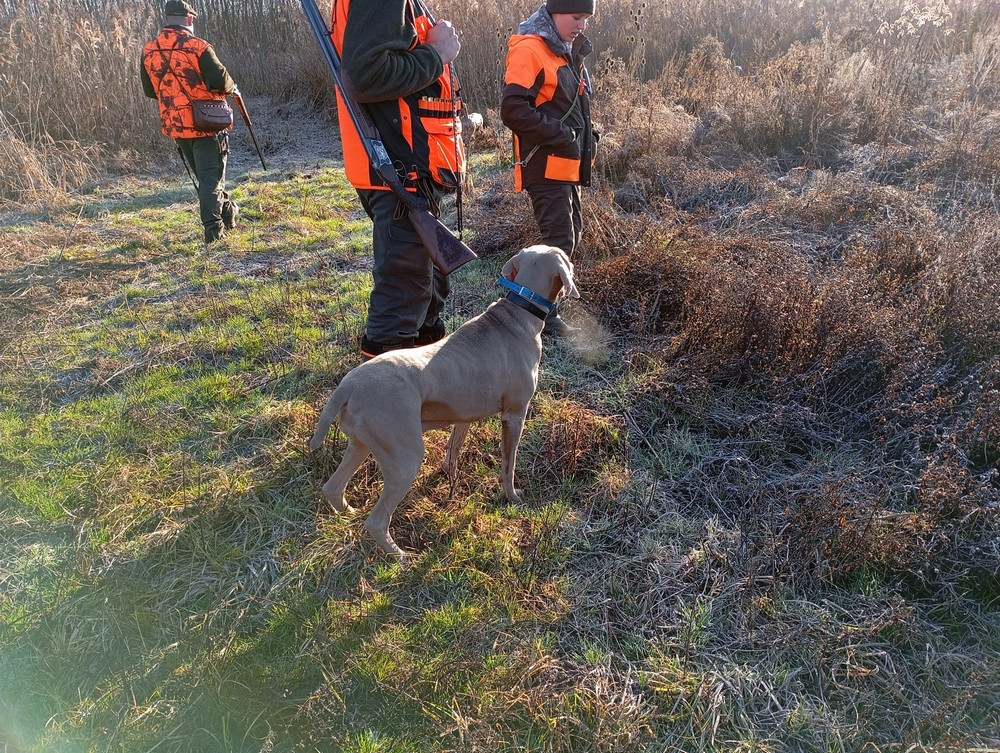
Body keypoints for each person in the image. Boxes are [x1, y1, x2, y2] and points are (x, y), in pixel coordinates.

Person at [330, 0, 466, 359]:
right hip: (401, 171)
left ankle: (424, 376)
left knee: (426, 284)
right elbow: (367, 75)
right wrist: (436, 55)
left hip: (409, 169)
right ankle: (384, 386)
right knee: (402, 296)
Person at [501, 0, 597, 336]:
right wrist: (562, 134)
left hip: (566, 166)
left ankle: (528, 302)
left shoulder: (567, 51)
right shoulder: (530, 49)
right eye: (576, 16)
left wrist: (586, 137)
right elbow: (512, 110)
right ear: (555, 12)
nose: (581, 25)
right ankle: (543, 319)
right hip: (544, 165)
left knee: (569, 237)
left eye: (586, 18)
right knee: (558, 241)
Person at [141, 0, 239, 244]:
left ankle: (229, 212)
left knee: (207, 179)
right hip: (207, 124)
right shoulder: (198, 47)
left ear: (167, 19)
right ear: (190, 19)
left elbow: (150, 91)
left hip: (176, 125)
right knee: (210, 181)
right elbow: (223, 82)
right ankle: (214, 234)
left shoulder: (149, 50)